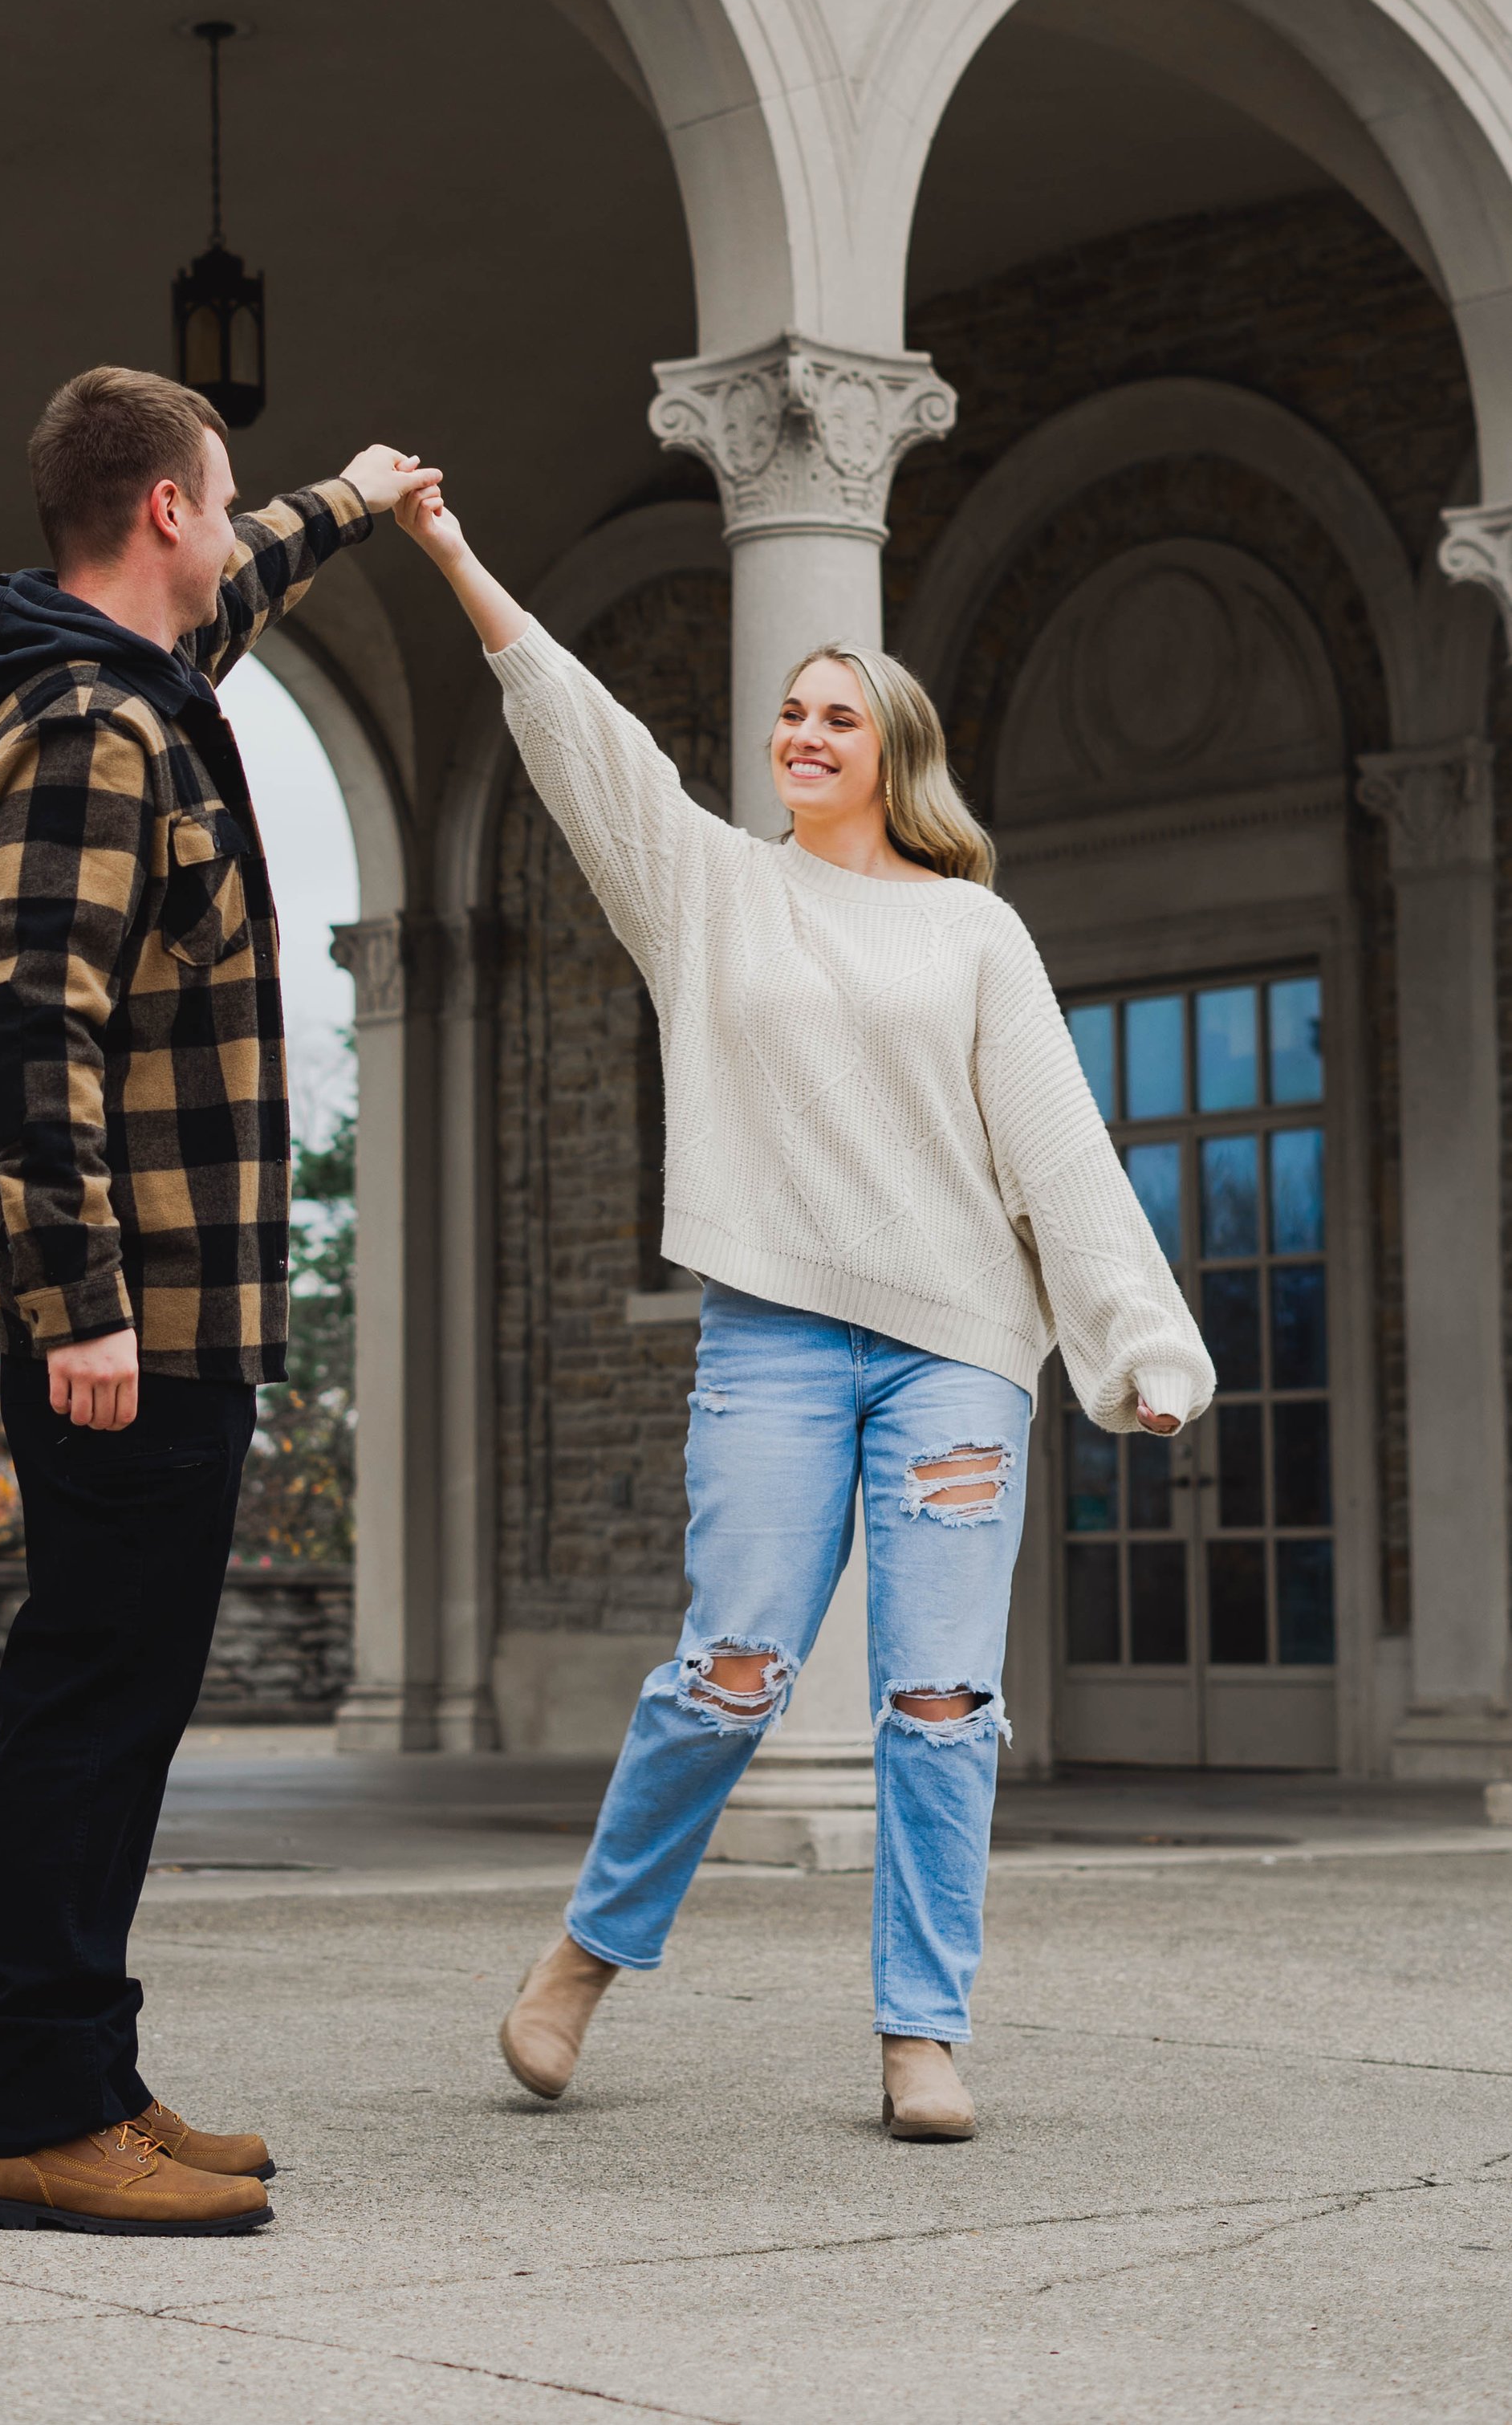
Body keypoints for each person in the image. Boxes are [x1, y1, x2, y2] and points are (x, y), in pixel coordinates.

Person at [395, 479, 1214, 2142]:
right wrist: (453, 554)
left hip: (955, 1358)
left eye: (836, 715)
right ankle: (580, 1959)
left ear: (894, 752)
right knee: (730, 1669)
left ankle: (921, 2034)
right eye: (788, 713)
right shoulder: (708, 894)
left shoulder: (971, 930)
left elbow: (1057, 1151)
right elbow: (582, 737)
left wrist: (1141, 1342)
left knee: (935, 1703)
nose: (802, 731)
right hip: (769, 1335)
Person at [0, 367, 437, 2235]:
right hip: (124, 1327)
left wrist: (355, 496)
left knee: (126, 1704)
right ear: (160, 510)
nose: (235, 535)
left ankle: (87, 2074)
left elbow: (244, 583)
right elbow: (33, 1031)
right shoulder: (87, 731)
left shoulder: (139, 681)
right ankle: (34, 2119)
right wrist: (78, 1308)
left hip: (176, 1321)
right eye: (221, 502)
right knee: (91, 1702)